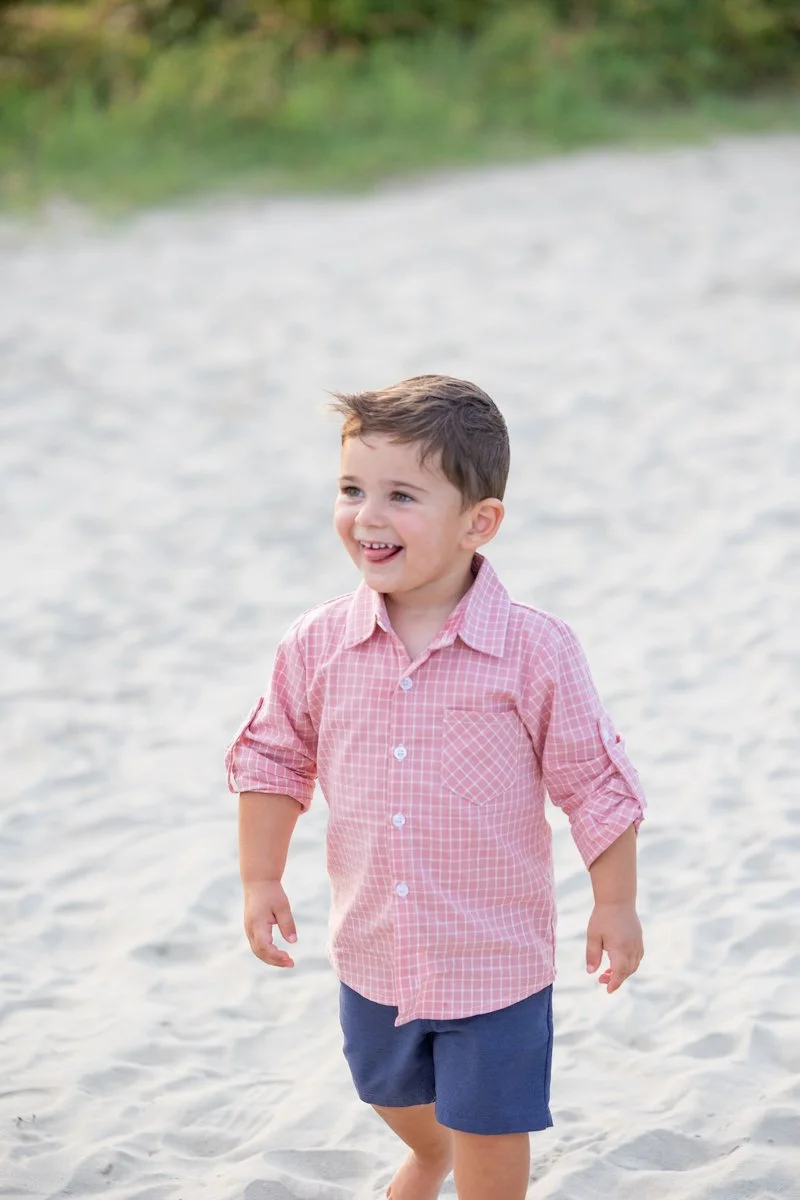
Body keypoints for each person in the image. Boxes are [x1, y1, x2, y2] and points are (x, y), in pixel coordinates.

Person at [225, 375, 645, 1200]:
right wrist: (260, 877)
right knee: (391, 1091)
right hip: (375, 947)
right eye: (352, 489)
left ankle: (467, 1164)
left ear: (477, 523)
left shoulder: (533, 651)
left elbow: (593, 782)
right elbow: (273, 758)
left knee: (492, 1130)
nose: (367, 515)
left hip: (496, 959)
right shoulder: (316, 645)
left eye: (402, 495)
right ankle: (428, 1152)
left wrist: (616, 902)